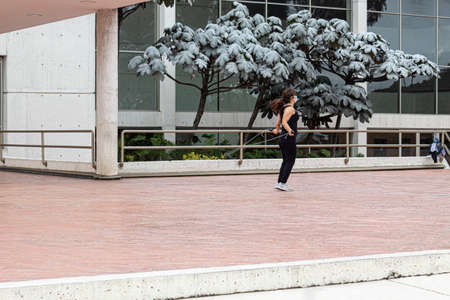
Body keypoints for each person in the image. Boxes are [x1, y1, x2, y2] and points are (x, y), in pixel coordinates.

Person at [271, 88, 299, 191]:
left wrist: (276, 130)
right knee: (290, 160)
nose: (296, 98)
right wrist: (290, 131)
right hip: (288, 138)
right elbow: (284, 122)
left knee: (286, 160)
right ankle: (282, 183)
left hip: (283, 138)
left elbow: (278, 123)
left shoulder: (282, 108)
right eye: (295, 96)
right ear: (292, 98)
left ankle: (280, 182)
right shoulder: (290, 109)